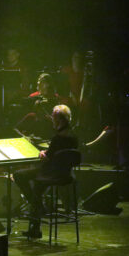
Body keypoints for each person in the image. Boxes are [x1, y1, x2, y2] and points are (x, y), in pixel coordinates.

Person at [13, 104, 78, 239]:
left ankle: (37, 207)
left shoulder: (58, 138)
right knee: (37, 189)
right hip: (66, 173)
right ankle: (36, 217)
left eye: (53, 118)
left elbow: (48, 157)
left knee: (19, 175)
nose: (52, 120)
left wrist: (42, 153)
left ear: (59, 120)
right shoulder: (73, 135)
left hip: (51, 174)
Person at [15, 73, 71, 139]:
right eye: (39, 81)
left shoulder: (57, 99)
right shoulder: (34, 96)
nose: (38, 83)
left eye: (42, 82)